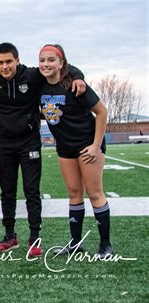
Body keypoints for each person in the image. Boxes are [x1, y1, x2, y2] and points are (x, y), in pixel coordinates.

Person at [0, 43, 86, 256]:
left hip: (29, 142)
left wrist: (79, 77)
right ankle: (10, 237)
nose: (5, 66)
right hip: (4, 142)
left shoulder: (32, 75)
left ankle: (35, 238)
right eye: (0, 62)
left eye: (9, 61)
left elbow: (63, 68)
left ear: (17, 60)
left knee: (31, 191)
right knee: (7, 192)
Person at [38, 44, 112, 258]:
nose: (46, 64)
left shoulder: (75, 84)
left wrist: (96, 145)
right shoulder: (40, 86)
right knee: (73, 193)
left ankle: (105, 245)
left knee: (95, 193)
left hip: (87, 145)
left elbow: (102, 111)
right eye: (42, 60)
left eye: (51, 60)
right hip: (65, 147)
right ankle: (75, 243)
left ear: (62, 63)